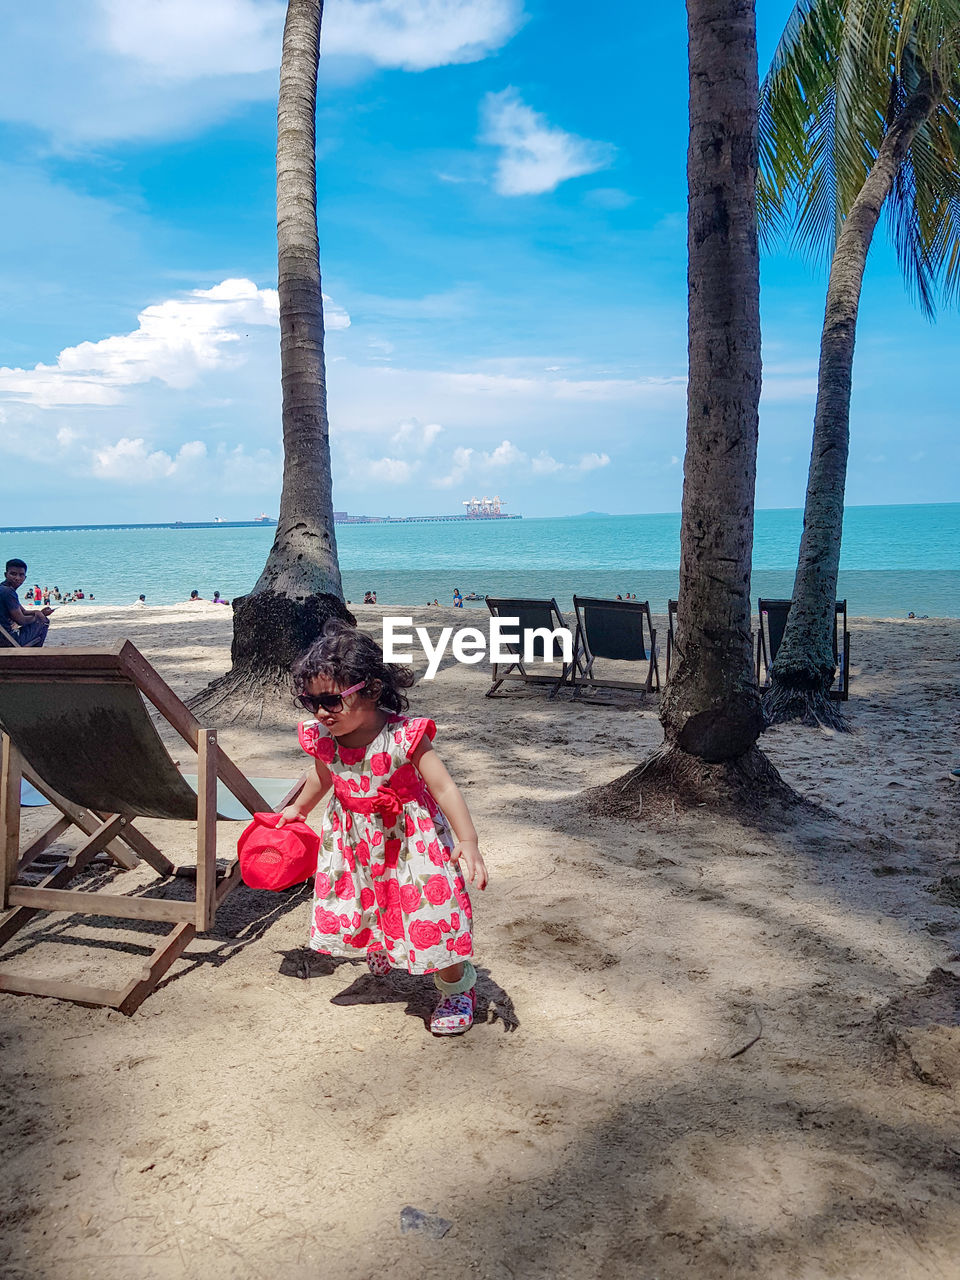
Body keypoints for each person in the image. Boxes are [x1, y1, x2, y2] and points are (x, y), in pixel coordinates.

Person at [277, 619, 488, 1035]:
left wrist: (468, 840)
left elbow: (443, 786)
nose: (321, 712)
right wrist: (299, 809)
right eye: (311, 702)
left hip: (412, 841)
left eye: (333, 701)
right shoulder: (325, 738)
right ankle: (386, 945)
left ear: (371, 690)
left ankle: (456, 988)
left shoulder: (405, 735)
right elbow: (322, 777)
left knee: (432, 909)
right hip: (354, 841)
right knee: (367, 899)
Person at [0, 559, 53, 646]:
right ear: (6, 575)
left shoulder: (3, 588)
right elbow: (21, 620)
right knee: (43, 621)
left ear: (25, 577)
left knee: (40, 618)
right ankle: (31, 656)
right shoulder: (8, 592)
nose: (17, 578)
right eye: (13, 574)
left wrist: (39, 612)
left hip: (3, 636)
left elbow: (23, 612)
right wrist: (40, 617)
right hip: (7, 640)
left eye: (21, 575)